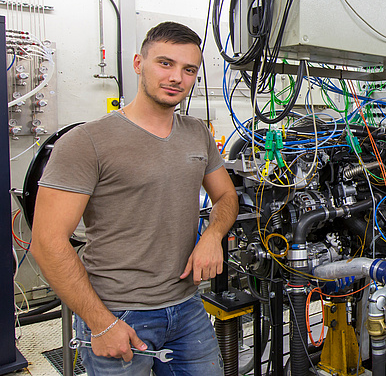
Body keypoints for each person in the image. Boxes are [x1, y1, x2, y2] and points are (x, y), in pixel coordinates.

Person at [31, 22, 238, 375]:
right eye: (165, 63)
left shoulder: (197, 133)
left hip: (187, 307)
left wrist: (213, 236)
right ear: (138, 63)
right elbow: (46, 243)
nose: (177, 77)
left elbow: (226, 196)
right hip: (118, 311)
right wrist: (101, 323)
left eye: (189, 69)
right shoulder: (88, 141)